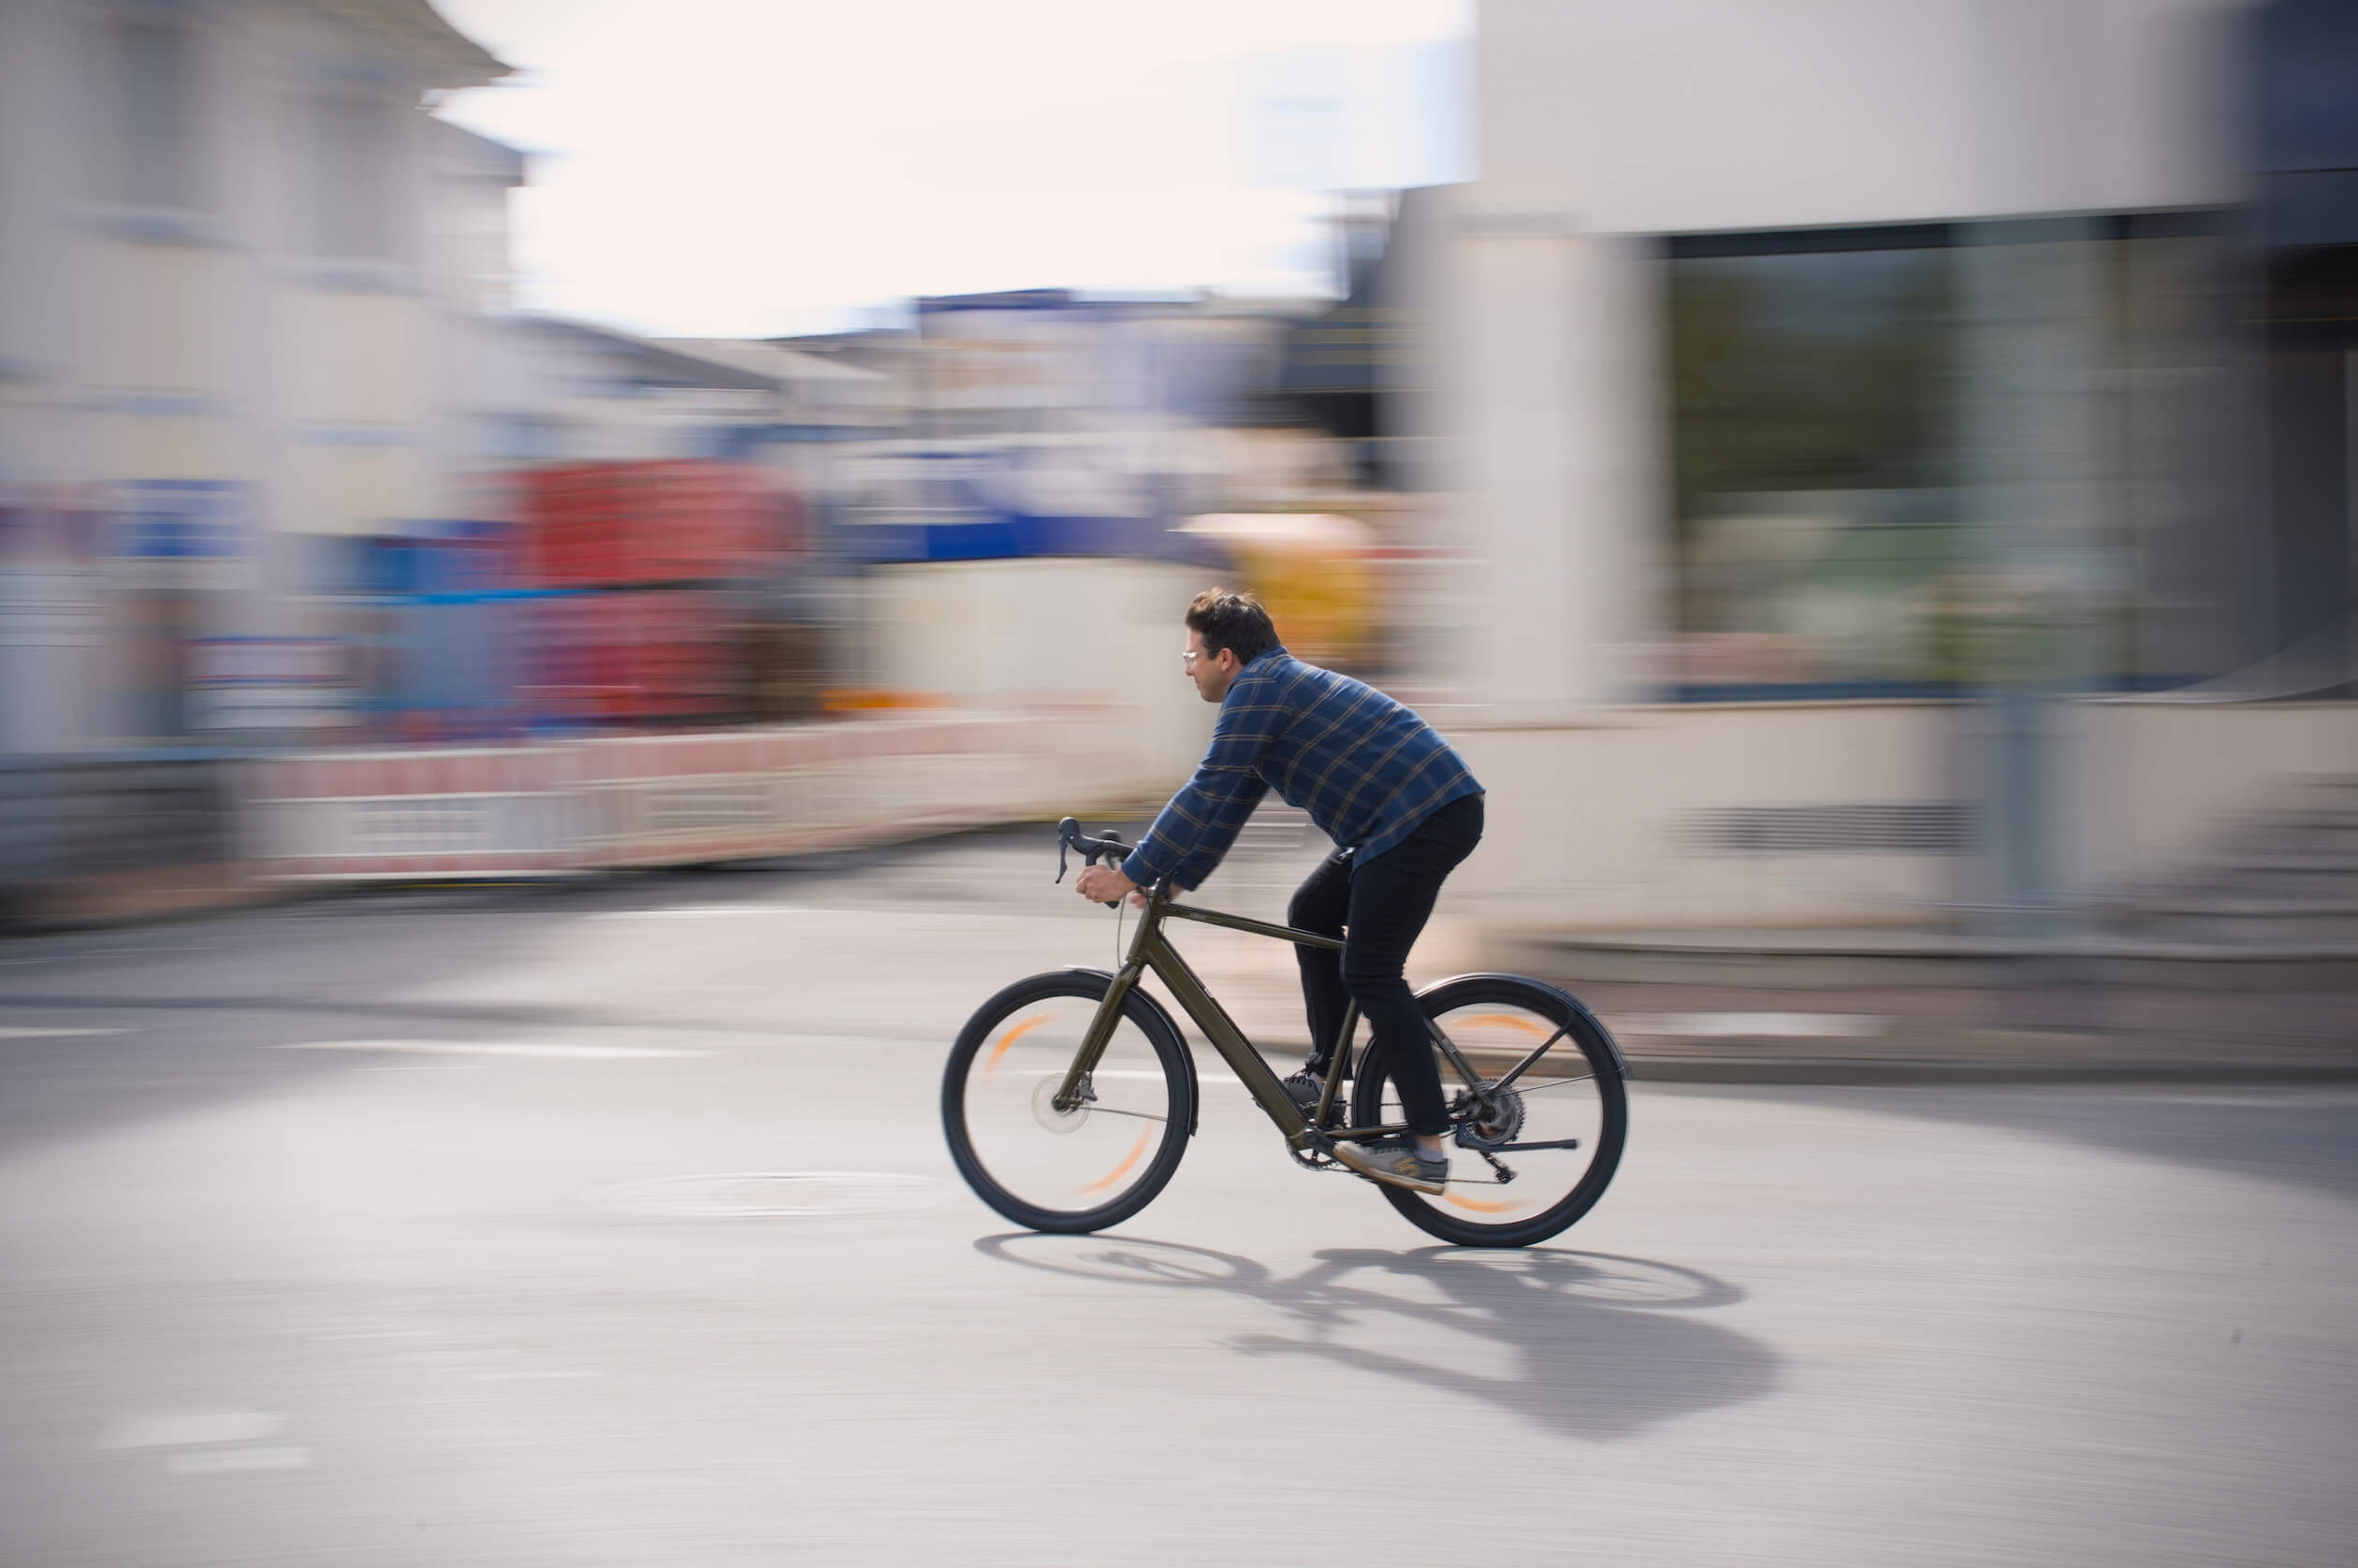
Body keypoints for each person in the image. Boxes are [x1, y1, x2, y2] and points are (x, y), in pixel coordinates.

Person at [1072, 588, 1484, 1195]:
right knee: (1312, 910)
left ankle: (1425, 1149)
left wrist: (1133, 873)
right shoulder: (1265, 692)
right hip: (1399, 822)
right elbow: (1228, 808)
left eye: (1192, 656)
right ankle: (1327, 1076)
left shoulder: (1260, 689)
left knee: (1372, 973)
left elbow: (1206, 789)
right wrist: (1175, 878)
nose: (1187, 669)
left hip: (1424, 815)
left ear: (1226, 658)